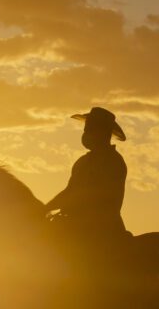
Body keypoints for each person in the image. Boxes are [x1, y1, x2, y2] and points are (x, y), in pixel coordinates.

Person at [46, 107, 130, 253]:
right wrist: (44, 208)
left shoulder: (114, 161)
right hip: (77, 223)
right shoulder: (82, 162)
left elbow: (102, 198)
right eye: (86, 130)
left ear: (103, 133)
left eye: (90, 130)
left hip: (102, 228)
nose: (86, 134)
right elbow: (69, 191)